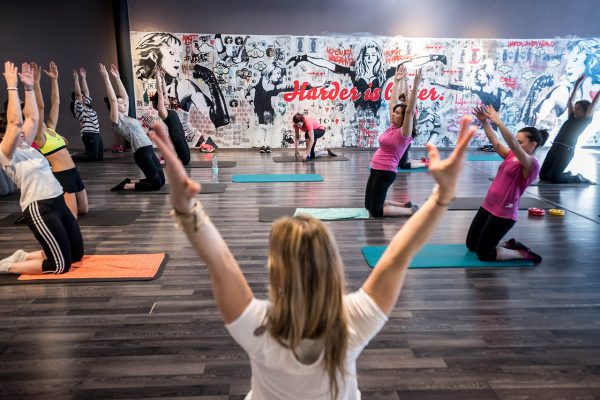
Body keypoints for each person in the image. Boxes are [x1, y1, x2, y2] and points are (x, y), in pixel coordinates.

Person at [148, 104, 475, 398]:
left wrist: (185, 208)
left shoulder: (259, 327)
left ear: (276, 272)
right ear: (334, 266)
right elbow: (398, 257)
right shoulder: (350, 324)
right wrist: (441, 197)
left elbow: (220, 263)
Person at [0, 61, 83, 275]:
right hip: (40, 208)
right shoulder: (6, 153)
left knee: (76, 255)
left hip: (57, 200)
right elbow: (15, 123)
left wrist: (29, 88)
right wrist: (11, 85)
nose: (21, 132)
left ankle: (24, 255)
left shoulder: (25, 143)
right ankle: (7, 266)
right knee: (60, 266)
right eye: (13, 132)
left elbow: (33, 118)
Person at [468, 105, 548, 263]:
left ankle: (521, 253)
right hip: (488, 206)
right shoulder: (512, 155)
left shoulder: (532, 164)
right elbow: (496, 142)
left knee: (484, 254)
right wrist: (485, 123)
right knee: (471, 245)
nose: (516, 145)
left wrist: (499, 122)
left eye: (520, 142)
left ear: (533, 144)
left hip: (503, 214)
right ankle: (507, 244)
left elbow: (512, 144)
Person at [134, 32, 229, 147]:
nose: (178, 59)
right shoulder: (151, 91)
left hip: (193, 140)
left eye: (178, 54)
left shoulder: (182, 86)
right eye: (171, 53)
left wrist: (210, 79)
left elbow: (221, 119)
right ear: (154, 56)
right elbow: (161, 93)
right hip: (170, 143)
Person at [32, 61, 89, 218]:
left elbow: (55, 102)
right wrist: (36, 83)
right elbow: (41, 107)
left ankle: (52, 207)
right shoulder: (39, 136)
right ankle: (47, 211)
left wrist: (54, 80)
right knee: (73, 216)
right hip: (61, 175)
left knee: (84, 210)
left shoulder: (50, 129)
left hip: (73, 171)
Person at [364, 67, 422, 218]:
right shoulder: (392, 127)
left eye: (397, 114)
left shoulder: (404, 133)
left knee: (376, 211)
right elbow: (391, 103)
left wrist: (415, 85)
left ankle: (410, 211)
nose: (393, 115)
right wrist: (395, 81)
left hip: (386, 171)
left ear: (404, 118)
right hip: (375, 168)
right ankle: (404, 205)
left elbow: (409, 111)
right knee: (367, 206)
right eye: (394, 113)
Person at [99, 63, 165, 191]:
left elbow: (126, 97)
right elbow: (113, 100)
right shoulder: (116, 119)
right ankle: (126, 186)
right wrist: (106, 77)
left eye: (123, 102)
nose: (123, 103)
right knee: (156, 184)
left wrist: (117, 78)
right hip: (141, 152)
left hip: (148, 148)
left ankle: (130, 181)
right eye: (120, 103)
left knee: (161, 181)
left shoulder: (126, 116)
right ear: (114, 107)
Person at [539, 74, 600, 184]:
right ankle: (565, 174)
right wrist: (577, 84)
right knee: (543, 176)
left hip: (566, 151)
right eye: (575, 108)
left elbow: (594, 102)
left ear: (585, 111)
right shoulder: (571, 117)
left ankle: (577, 178)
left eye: (578, 109)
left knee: (554, 179)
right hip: (554, 147)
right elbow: (570, 102)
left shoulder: (585, 120)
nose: (575, 110)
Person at [152, 67, 190, 166]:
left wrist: (163, 78)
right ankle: (166, 160)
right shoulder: (162, 111)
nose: (166, 97)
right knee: (185, 161)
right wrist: (157, 76)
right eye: (164, 98)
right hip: (176, 136)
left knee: (187, 158)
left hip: (180, 133)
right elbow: (160, 92)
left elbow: (164, 91)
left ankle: (168, 159)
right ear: (159, 102)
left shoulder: (167, 108)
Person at [70, 67, 103, 162]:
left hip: (96, 133)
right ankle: (72, 157)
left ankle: (80, 154)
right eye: (81, 96)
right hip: (89, 133)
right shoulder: (79, 107)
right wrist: (76, 79)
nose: (84, 97)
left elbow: (86, 93)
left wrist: (83, 78)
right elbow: (78, 95)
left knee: (99, 157)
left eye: (84, 96)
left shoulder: (87, 105)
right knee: (92, 157)